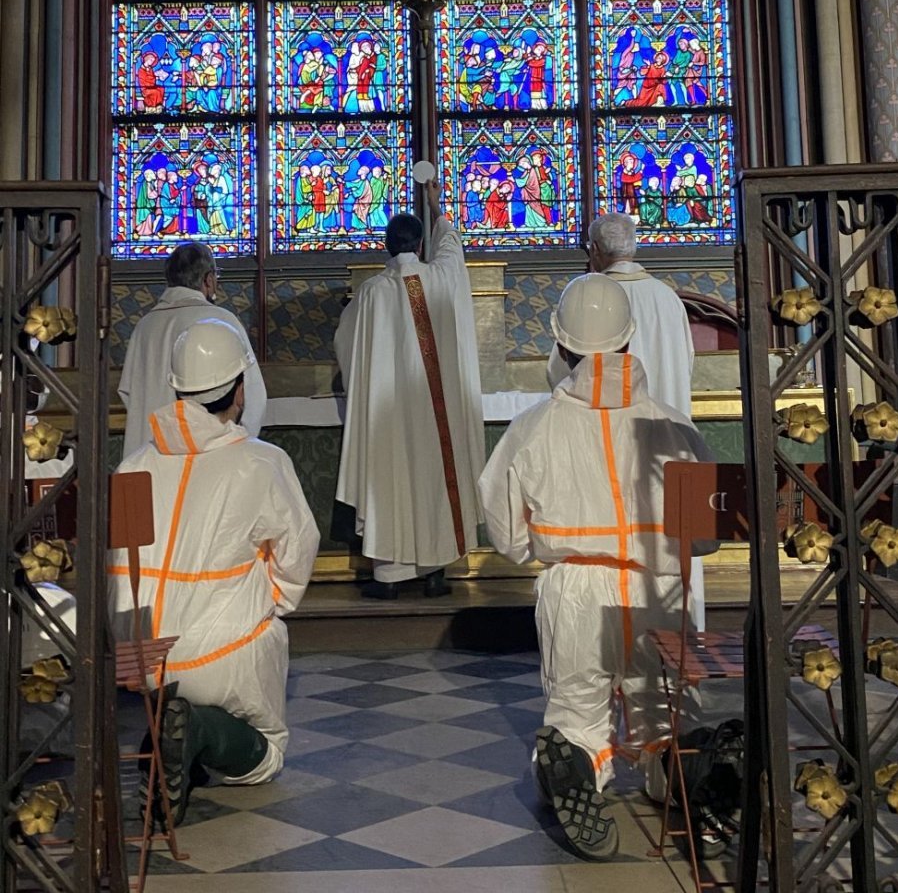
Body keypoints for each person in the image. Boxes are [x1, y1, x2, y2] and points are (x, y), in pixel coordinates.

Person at [479, 275, 712, 860]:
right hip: (659, 586)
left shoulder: (533, 426)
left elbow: (506, 532)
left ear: (560, 348)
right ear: (630, 343)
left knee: (576, 710)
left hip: (576, 587)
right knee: (664, 708)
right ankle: (684, 769)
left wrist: (547, 549)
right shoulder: (676, 426)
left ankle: (575, 766)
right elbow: (706, 537)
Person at [108, 319, 319, 824]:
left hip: (141, 658)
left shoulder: (133, 464)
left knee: (178, 681)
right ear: (239, 390)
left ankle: (170, 731)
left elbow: (123, 566)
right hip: (225, 650)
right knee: (266, 755)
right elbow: (297, 552)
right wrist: (270, 602)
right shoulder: (260, 462)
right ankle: (200, 731)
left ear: (176, 390)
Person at [334, 180, 484, 599]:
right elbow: (452, 246)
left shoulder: (372, 295)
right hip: (437, 411)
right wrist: (437, 206)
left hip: (388, 413)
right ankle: (435, 572)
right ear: (420, 245)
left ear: (385, 245)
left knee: (392, 475)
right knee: (434, 475)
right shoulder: (441, 277)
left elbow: (347, 348)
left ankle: (390, 577)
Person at [567, 212, 707, 630]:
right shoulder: (667, 298)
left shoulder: (591, 297)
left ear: (594, 251)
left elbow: (567, 373)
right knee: (673, 536)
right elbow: (688, 363)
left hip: (611, 444)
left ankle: (617, 639)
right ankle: (681, 638)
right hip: (671, 444)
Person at [118, 242, 267, 458]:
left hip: (150, 455)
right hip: (210, 456)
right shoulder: (222, 320)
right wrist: (240, 448)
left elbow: (128, 394)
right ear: (208, 279)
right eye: (216, 275)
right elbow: (253, 397)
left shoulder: (144, 326)